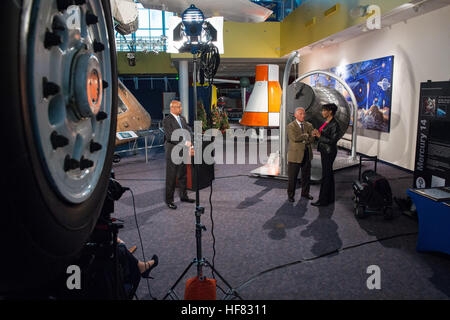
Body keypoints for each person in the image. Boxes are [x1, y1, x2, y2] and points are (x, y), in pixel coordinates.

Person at [163, 100, 195, 210]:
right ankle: (169, 200)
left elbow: (188, 132)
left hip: (183, 151)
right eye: (179, 107)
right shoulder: (167, 120)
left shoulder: (182, 119)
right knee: (171, 177)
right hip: (173, 152)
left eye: (181, 106)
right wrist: (185, 142)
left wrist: (191, 146)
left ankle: (183, 196)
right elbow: (170, 136)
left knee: (183, 175)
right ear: (172, 108)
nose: (181, 108)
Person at [311, 103, 341, 207]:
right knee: (329, 174)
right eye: (322, 110)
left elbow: (333, 140)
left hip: (329, 152)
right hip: (325, 150)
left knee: (326, 175)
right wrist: (316, 135)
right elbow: (323, 135)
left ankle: (323, 200)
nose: (322, 112)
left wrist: (319, 136)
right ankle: (330, 198)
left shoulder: (335, 124)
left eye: (324, 110)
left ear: (330, 112)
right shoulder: (326, 122)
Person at [287, 107, 315, 202]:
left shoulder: (309, 125)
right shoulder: (291, 126)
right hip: (295, 155)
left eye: (304, 114)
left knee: (306, 176)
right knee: (293, 177)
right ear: (295, 115)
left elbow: (312, 139)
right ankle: (291, 195)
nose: (303, 115)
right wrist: (306, 135)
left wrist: (305, 138)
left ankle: (305, 193)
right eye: (300, 114)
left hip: (307, 153)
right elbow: (294, 138)